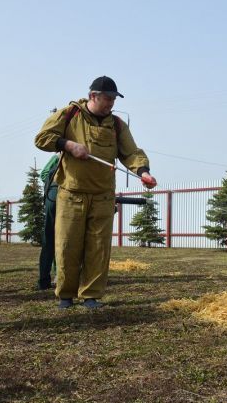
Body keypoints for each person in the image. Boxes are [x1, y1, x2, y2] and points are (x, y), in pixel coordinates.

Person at [34, 76, 157, 309]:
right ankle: (66, 296)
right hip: (72, 193)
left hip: (102, 195)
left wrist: (143, 172)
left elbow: (131, 153)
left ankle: (91, 296)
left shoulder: (117, 124)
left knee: (98, 247)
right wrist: (68, 145)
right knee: (67, 245)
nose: (111, 103)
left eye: (113, 99)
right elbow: (42, 139)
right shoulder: (69, 114)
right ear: (93, 96)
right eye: (107, 98)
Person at [37, 154, 59, 290]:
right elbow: (44, 173)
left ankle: (57, 274)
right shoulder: (57, 156)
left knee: (58, 240)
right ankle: (45, 278)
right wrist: (54, 183)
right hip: (56, 196)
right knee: (52, 238)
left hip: (56, 196)